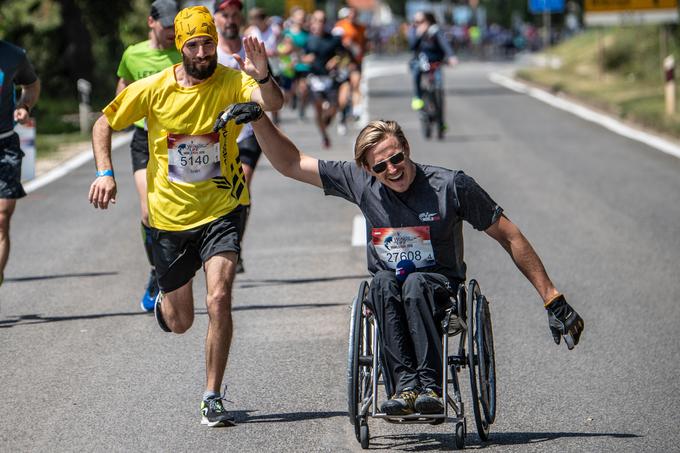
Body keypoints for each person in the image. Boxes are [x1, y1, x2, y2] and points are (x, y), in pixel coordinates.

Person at [221, 104, 585, 416]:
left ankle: (431, 387)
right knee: (382, 283)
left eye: (398, 158)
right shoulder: (360, 182)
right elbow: (290, 162)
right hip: (388, 289)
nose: (393, 170)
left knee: (414, 284)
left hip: (441, 288)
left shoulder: (451, 186)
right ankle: (404, 390)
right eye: (381, 167)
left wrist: (552, 297)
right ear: (367, 169)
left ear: (407, 149)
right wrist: (259, 119)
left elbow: (509, 235)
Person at [88, 6, 283, 427]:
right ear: (180, 47)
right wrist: (106, 172)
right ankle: (166, 301)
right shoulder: (153, 88)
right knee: (181, 323)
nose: (201, 52)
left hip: (222, 209)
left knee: (219, 297)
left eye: (207, 42)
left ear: (215, 42)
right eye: (192, 44)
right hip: (169, 221)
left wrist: (264, 75)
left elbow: (272, 103)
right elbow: (104, 123)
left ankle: (212, 394)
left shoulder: (232, 79)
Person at [115, 0, 181, 311]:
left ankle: (179, 268)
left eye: (174, 25)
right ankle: (158, 271)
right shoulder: (133, 53)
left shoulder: (185, 53)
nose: (171, 31)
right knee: (147, 213)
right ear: (151, 23)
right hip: (145, 140)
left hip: (179, 141)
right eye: (166, 25)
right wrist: (120, 113)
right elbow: (123, 87)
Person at [213, 0, 266, 273]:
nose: (231, 20)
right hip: (214, 133)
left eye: (235, 15)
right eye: (225, 15)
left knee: (241, 182)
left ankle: (234, 245)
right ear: (216, 18)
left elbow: (268, 86)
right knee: (216, 189)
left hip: (247, 131)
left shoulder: (251, 50)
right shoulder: (208, 54)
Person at [0, 40, 40, 288]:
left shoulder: (13, 55)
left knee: (2, 218)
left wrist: (24, 105)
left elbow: (32, 84)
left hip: (4, 144)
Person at [302, 10, 351, 148]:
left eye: (322, 20)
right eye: (316, 20)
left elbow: (344, 55)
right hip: (315, 79)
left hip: (330, 79)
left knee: (335, 106)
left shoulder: (333, 39)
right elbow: (303, 57)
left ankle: (328, 118)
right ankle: (324, 136)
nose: (319, 24)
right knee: (318, 110)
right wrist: (306, 59)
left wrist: (336, 60)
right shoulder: (309, 40)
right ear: (312, 23)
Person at [408, 12, 456, 112]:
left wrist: (451, 56)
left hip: (435, 61)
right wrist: (419, 35)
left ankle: (440, 118)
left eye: (421, 21)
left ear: (428, 21)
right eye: (416, 22)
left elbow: (444, 43)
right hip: (421, 61)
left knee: (439, 85)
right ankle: (418, 97)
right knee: (416, 71)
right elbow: (412, 47)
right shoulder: (414, 30)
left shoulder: (435, 30)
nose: (418, 24)